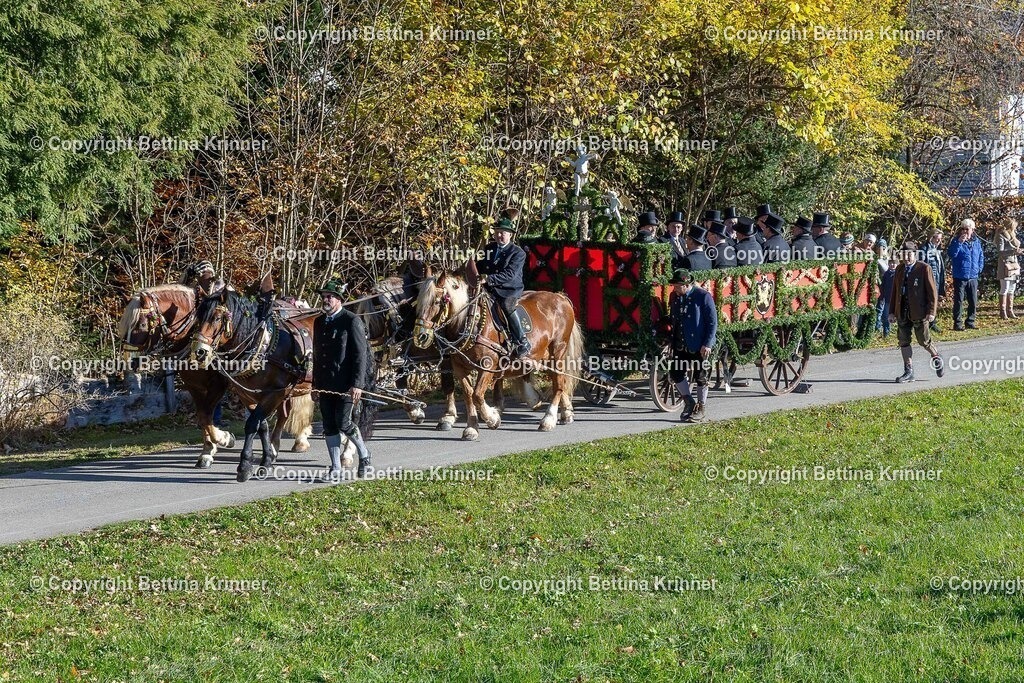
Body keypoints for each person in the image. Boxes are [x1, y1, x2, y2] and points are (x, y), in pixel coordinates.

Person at [313, 278, 372, 478]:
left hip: (346, 385)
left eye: (329, 296)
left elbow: (360, 355)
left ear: (339, 299)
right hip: (325, 384)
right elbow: (317, 355)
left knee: (343, 422)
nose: (325, 300)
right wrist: (315, 385)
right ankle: (335, 467)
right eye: (323, 296)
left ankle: (364, 455)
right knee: (329, 425)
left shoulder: (351, 320)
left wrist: (357, 384)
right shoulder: (319, 322)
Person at [888, 241, 944, 383]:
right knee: (903, 341)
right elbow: (895, 291)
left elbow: (932, 293)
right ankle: (908, 371)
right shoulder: (899, 269)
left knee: (923, 341)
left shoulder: (924, 268)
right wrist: (892, 312)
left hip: (919, 311)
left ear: (915, 254)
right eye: (904, 255)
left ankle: (936, 357)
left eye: (909, 254)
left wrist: (931, 312)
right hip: (902, 310)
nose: (906, 258)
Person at [477, 217, 531, 358]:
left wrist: (488, 279)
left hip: (509, 289)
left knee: (507, 306)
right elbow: (479, 266)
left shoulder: (518, 253)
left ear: (510, 235)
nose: (499, 235)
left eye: (503, 233)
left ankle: (522, 340)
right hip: (489, 288)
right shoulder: (488, 248)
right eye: (497, 232)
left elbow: (510, 274)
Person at [668, 268, 717, 423]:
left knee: (700, 376)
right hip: (680, 344)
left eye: (678, 286)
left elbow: (712, 322)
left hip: (699, 344)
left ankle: (701, 407)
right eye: (674, 286)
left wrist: (707, 343)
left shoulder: (703, 296)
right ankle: (689, 402)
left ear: (687, 285)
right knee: (676, 373)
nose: (675, 289)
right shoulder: (675, 297)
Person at [947, 218, 984, 330]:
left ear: (972, 230)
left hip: (973, 276)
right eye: (962, 229)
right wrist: (959, 242)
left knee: (973, 300)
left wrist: (979, 268)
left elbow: (981, 256)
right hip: (960, 275)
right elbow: (952, 254)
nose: (964, 231)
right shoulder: (956, 241)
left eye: (967, 229)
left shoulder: (976, 242)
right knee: (959, 301)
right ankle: (957, 323)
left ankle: (970, 321)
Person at [919, 230, 946, 331]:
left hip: (936, 279)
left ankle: (932, 322)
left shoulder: (936, 250)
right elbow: (921, 266)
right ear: (931, 238)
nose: (939, 241)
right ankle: (926, 323)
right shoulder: (924, 249)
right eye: (937, 239)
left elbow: (939, 267)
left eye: (940, 239)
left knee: (934, 300)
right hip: (928, 280)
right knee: (927, 300)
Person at [996, 218, 1023, 319]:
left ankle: (1010, 310)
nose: (1015, 229)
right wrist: (1013, 251)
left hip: (1014, 265)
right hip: (1005, 265)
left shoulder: (1013, 236)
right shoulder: (1001, 235)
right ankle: (1003, 312)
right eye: (1014, 227)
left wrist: (1018, 251)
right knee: (1005, 288)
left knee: (1012, 288)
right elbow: (1000, 252)